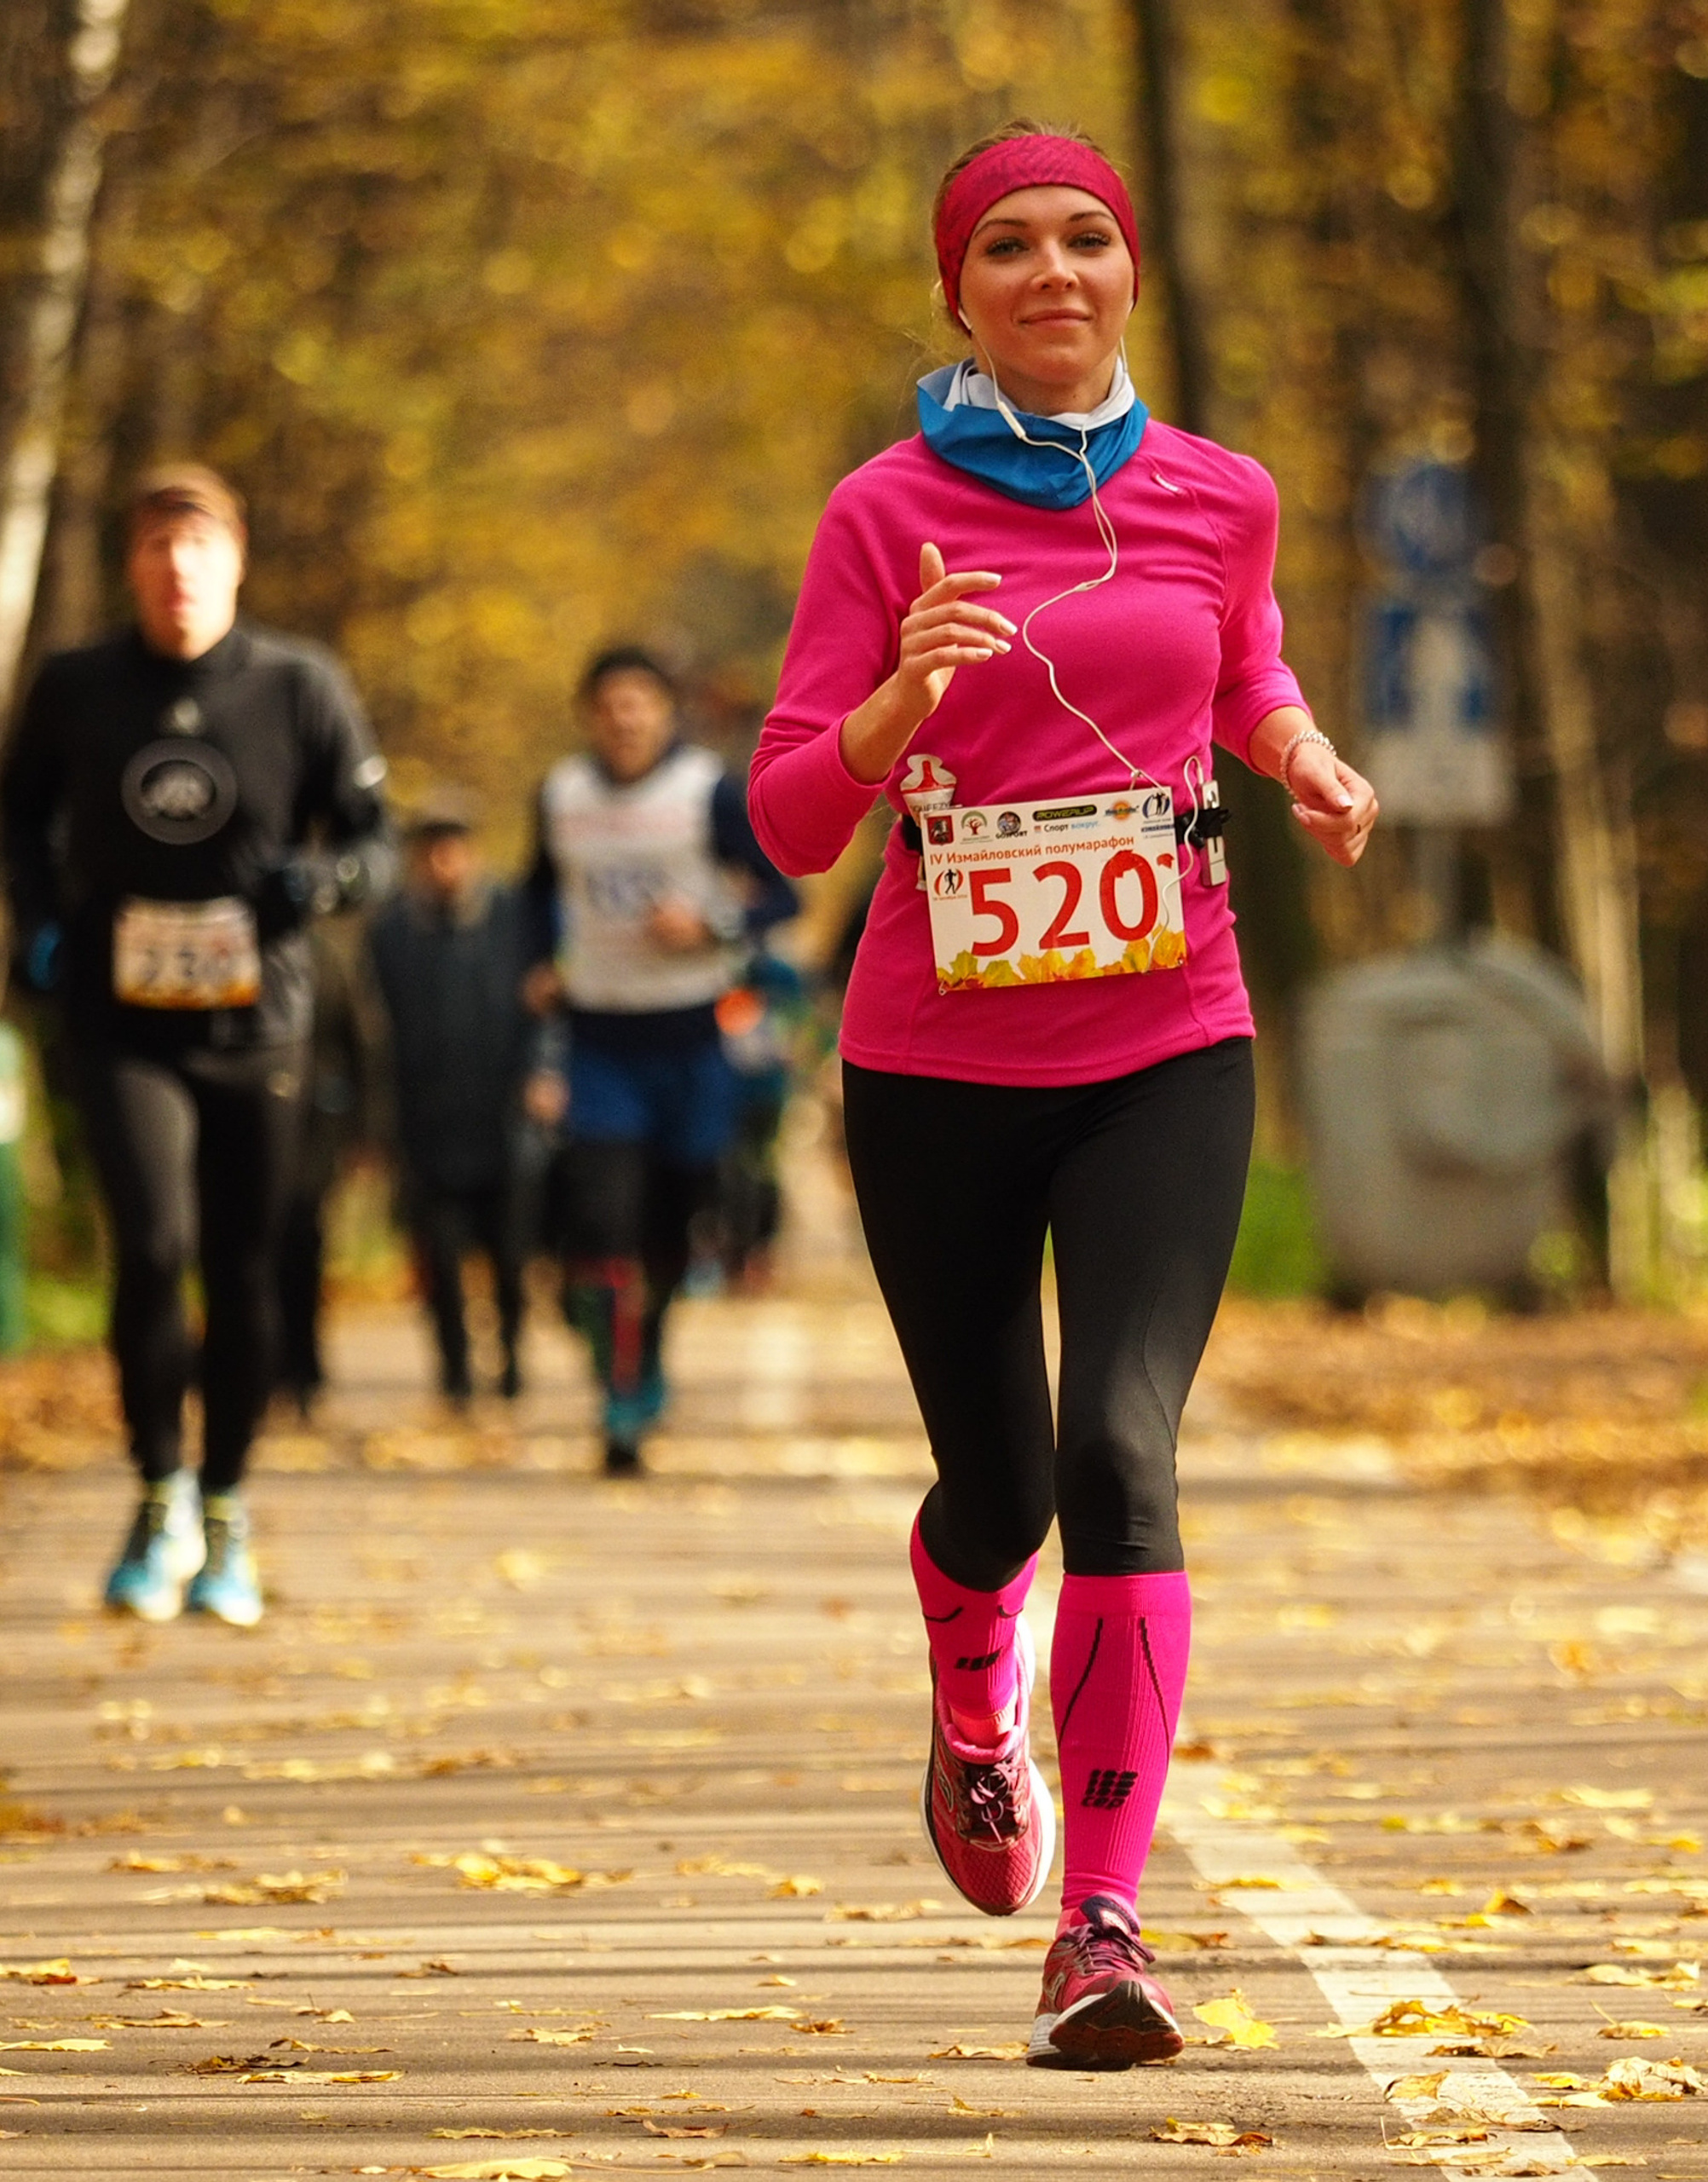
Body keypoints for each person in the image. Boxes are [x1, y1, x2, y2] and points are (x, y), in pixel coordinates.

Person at [749, 124, 1377, 2069]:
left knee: (1118, 1444)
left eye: (1084, 238)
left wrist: (1296, 752)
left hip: (1163, 1038)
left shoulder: (1219, 494)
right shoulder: (879, 513)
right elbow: (786, 817)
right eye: (1006, 244)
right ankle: (968, 1690)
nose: (1051, 269)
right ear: (957, 290)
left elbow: (1235, 661)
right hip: (932, 1059)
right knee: (1002, 1482)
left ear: (1127, 275)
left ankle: (1101, 1922)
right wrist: (894, 703)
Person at [0, 462, 395, 1625]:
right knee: (152, 1244)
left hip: (257, 1024)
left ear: (233, 563)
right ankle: (156, 1491)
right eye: (158, 551)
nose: (178, 572)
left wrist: (315, 884)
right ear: (134, 568)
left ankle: (226, 1509)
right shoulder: (77, 688)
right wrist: (43, 922)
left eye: (199, 550)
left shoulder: (298, 684)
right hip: (122, 1023)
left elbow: (372, 837)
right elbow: (18, 814)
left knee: (242, 1264)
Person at [524, 648, 797, 1474]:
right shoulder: (560, 796)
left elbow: (784, 894)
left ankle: (652, 1350)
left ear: (666, 713)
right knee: (602, 1218)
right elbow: (536, 891)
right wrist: (535, 967)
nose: (624, 718)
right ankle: (620, 1388)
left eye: (639, 703)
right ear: (588, 715)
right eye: (608, 704)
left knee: (673, 1226)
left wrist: (711, 924)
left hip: (690, 1040)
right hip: (601, 1038)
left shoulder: (707, 792)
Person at [367, 788, 540, 1406]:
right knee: (439, 1258)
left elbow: (543, 1007)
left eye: (455, 848)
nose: (445, 862)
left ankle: (513, 1359)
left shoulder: (512, 917)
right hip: (425, 1120)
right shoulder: (392, 932)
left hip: (503, 1113)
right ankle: (455, 1372)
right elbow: (376, 1031)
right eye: (433, 849)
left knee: (511, 1255)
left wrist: (543, 1074)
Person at [274, 921, 370, 1417]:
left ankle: (305, 1366)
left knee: (302, 1241)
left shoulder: (326, 955)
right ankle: (265, 1365)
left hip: (316, 1125)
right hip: (257, 1116)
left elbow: (360, 1042)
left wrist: (365, 1132)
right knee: (255, 1248)